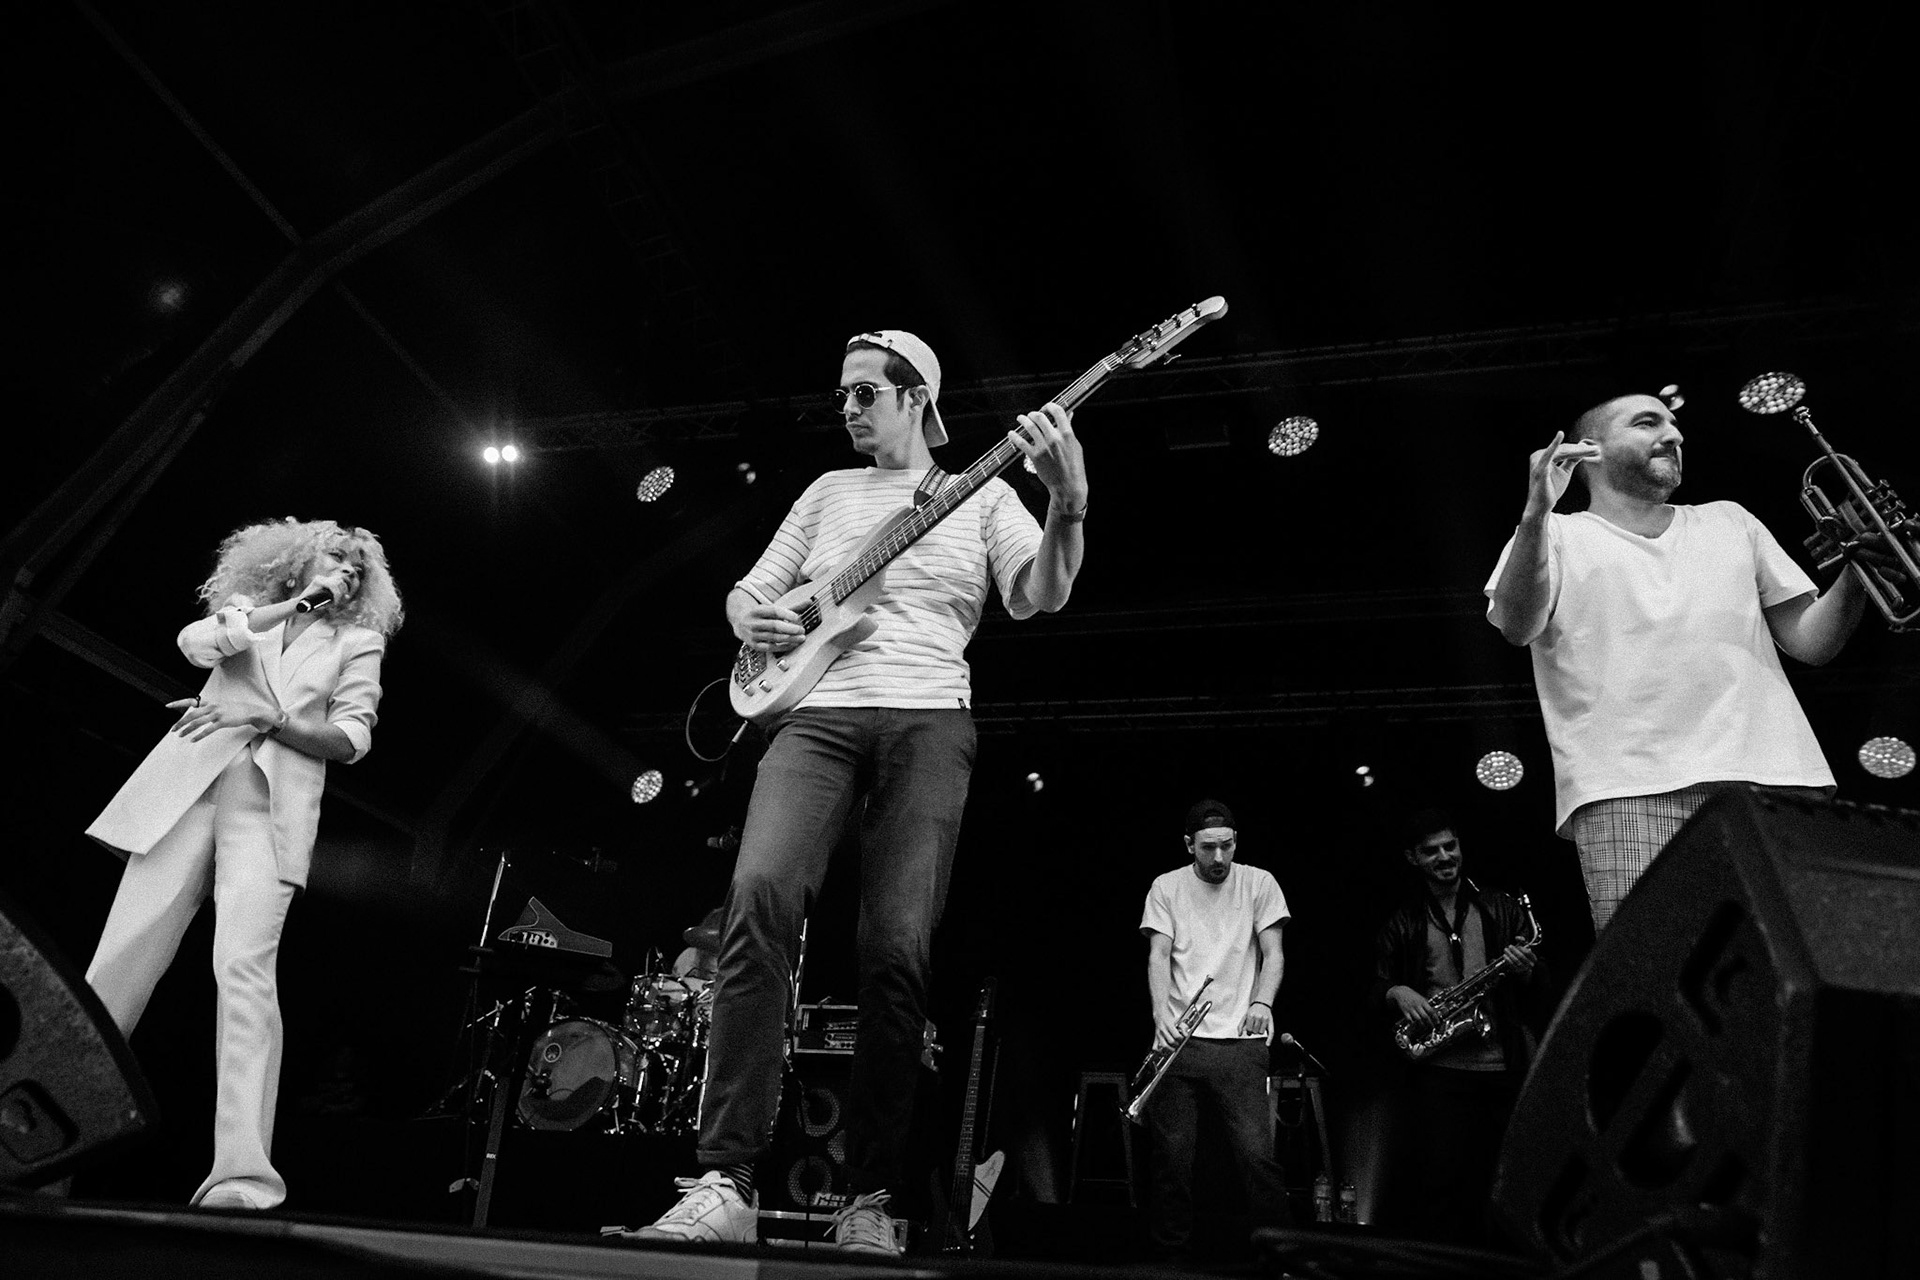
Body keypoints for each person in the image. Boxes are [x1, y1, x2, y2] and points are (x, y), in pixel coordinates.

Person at [622, 330, 1086, 1252]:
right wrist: (747, 612)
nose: (847, 407)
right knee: (757, 897)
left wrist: (1067, 504)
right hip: (817, 715)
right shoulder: (827, 494)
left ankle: (870, 1196)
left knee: (896, 947)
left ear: (916, 399)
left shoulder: (984, 493)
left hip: (927, 718)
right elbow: (750, 592)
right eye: (843, 393)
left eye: (865, 392)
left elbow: (1039, 596)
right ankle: (725, 1179)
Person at [84, 518, 401, 1210]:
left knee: (244, 977)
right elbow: (199, 645)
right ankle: (34, 1144)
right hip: (184, 794)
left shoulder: (359, 641)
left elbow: (351, 738)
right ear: (293, 564)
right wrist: (296, 606)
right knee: (113, 972)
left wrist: (263, 717)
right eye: (336, 559)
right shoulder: (246, 614)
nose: (346, 573)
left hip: (267, 810)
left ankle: (243, 1180)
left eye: (357, 569)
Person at [1485, 388, 1867, 930]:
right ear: (1587, 449)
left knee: (1802, 964)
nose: (1674, 434)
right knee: (1654, 972)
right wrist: (1535, 513)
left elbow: (1812, 642)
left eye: (1673, 425)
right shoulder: (1557, 534)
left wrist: (1856, 571)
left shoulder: (1731, 520)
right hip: (1629, 792)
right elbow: (1518, 626)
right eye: (1647, 423)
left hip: (1775, 777)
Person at [1372, 808, 1548, 1246]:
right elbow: (1374, 986)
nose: (1444, 856)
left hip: (1504, 1066)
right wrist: (1398, 992)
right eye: (1431, 851)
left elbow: (1545, 985)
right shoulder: (1403, 920)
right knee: (1444, 1185)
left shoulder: (1501, 907)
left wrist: (1526, 969)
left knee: (1512, 1179)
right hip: (1441, 1072)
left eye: (1450, 846)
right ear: (1413, 858)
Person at [1138, 798, 1290, 1261]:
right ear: (1189, 846)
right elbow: (1158, 956)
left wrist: (1262, 1001)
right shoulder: (1166, 886)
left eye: (1226, 846)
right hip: (1181, 1041)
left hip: (1239, 1042)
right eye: (1208, 848)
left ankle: (1280, 1259)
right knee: (1172, 1163)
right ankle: (1170, 1262)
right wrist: (1161, 1016)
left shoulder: (1259, 882)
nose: (1219, 857)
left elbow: (1275, 954)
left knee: (1257, 1161)